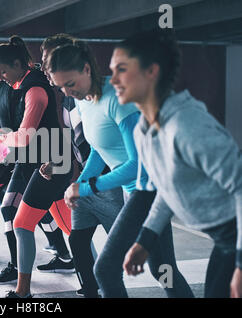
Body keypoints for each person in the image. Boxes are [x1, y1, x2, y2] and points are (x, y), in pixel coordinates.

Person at [47, 39, 193, 298]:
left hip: (149, 189)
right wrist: (79, 183)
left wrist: (90, 186)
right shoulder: (83, 100)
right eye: (61, 87)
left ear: (87, 69)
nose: (68, 92)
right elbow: (98, 150)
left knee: (105, 269)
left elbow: (139, 164)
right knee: (162, 268)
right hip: (132, 191)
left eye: (71, 84)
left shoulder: (118, 100)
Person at [110, 29, 242, 298]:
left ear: (151, 72)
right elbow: (166, 190)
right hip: (224, 240)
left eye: (122, 70)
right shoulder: (144, 131)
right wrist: (144, 241)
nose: (112, 79)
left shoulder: (186, 125)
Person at [0, 50, 70, 275]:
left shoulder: (20, 90)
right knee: (28, 211)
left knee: (46, 215)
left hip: (43, 157)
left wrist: (1, 160)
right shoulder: (4, 93)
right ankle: (61, 256)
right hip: (27, 158)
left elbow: (22, 132)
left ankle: (64, 258)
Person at [40, 34, 124, 298]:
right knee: (78, 240)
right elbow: (84, 143)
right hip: (90, 178)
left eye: (51, 58)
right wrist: (72, 174)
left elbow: (133, 161)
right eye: (45, 60)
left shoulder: (112, 97)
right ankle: (91, 291)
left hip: (118, 184)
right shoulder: (72, 96)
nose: (46, 64)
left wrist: (89, 184)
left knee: (145, 262)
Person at [0, 36, 74, 298]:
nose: (1, 76)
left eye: (3, 71)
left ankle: (23, 291)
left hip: (50, 164)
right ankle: (95, 280)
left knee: (21, 223)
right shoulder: (23, 85)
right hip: (39, 162)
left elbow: (25, 136)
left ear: (17, 64)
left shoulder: (35, 90)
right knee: (72, 228)